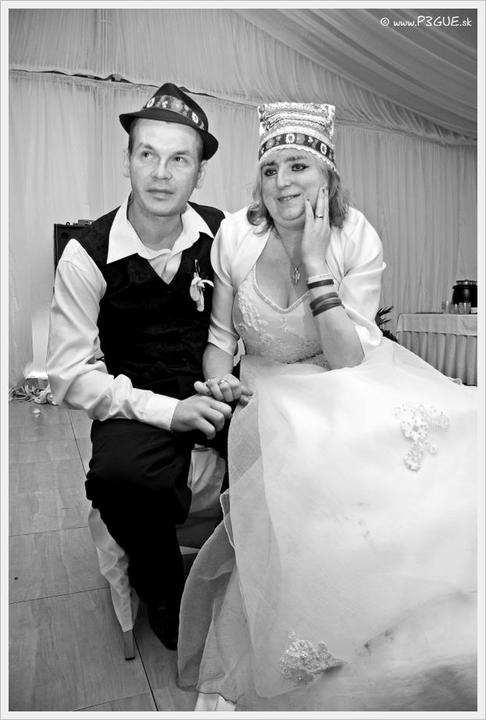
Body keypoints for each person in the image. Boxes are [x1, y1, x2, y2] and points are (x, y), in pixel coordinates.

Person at [176, 102, 477, 710]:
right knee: (309, 453)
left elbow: (348, 359)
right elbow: (220, 343)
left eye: (298, 166)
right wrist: (219, 383)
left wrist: (316, 266)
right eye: (270, 169)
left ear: (327, 176)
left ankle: (390, 608)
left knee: (428, 443)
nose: (282, 182)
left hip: (343, 375)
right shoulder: (234, 236)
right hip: (267, 386)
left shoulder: (355, 235)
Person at [47, 83, 233, 651]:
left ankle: (255, 572)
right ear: (126, 160)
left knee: (286, 442)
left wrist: (226, 381)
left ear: (199, 172)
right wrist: (169, 412)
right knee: (118, 478)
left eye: (180, 159)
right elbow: (69, 375)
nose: (161, 173)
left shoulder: (223, 233)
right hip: (134, 399)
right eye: (147, 154)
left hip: (213, 386)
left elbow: (237, 325)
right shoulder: (86, 253)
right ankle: (162, 590)